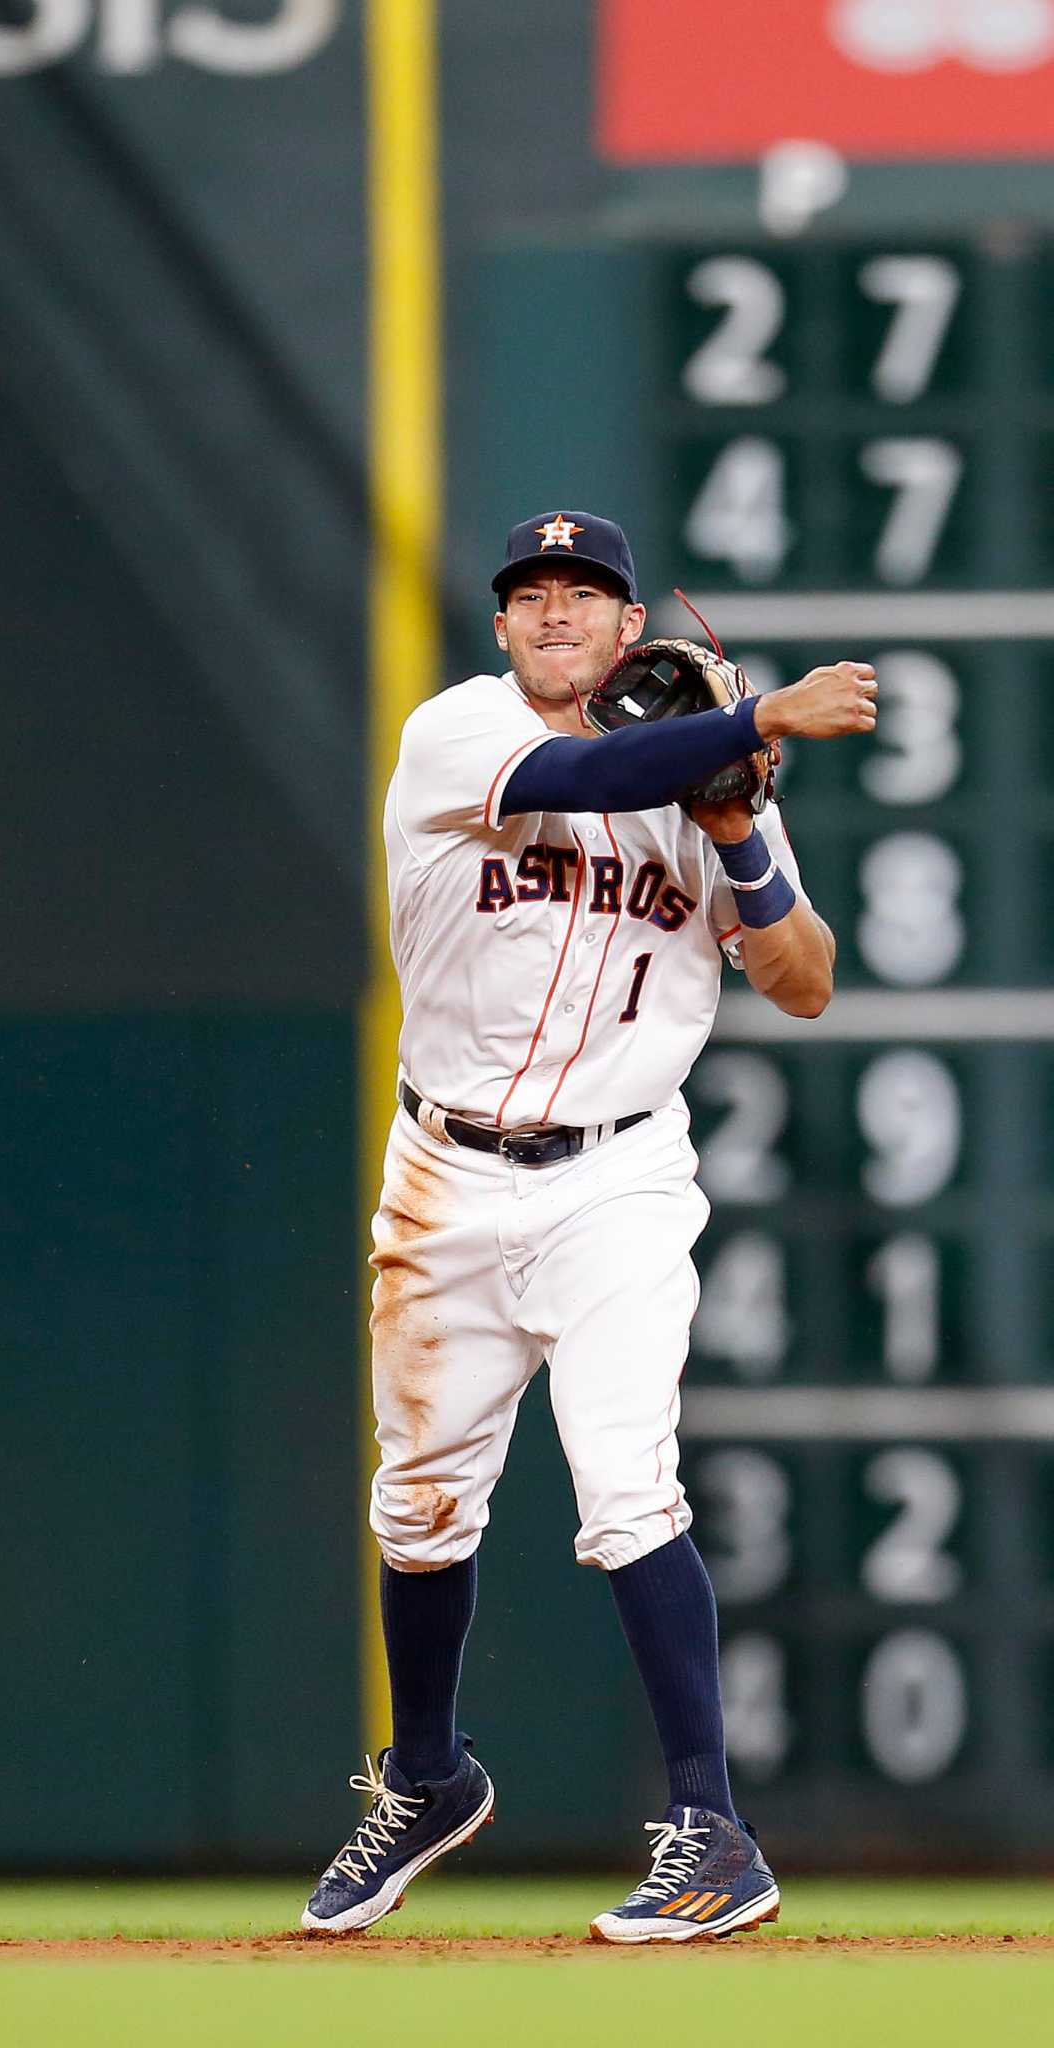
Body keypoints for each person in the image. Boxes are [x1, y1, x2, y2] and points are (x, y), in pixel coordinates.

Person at [302, 511, 877, 1942]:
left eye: (585, 594)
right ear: (502, 627)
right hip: (446, 1171)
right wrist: (750, 722)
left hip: (618, 1177)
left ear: (631, 627)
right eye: (530, 595)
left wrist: (739, 823)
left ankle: (712, 1829)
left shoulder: (707, 776)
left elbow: (803, 980)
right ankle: (429, 1774)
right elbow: (581, 772)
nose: (554, 613)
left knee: (628, 1480)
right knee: (419, 1505)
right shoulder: (458, 732)